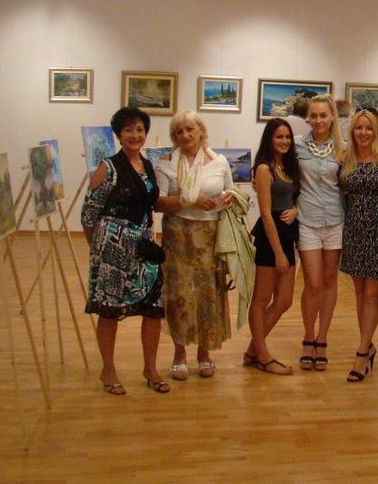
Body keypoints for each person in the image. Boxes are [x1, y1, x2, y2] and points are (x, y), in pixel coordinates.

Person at [81, 106, 168, 395]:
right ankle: (108, 369)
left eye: (140, 129)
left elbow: (152, 204)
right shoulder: (108, 167)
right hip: (113, 250)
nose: (135, 135)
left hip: (144, 245)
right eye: (129, 129)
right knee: (110, 310)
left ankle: (150, 368)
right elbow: (88, 215)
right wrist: (100, 252)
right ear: (119, 134)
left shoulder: (148, 166)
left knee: (153, 309)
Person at [154, 110, 235, 381]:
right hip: (177, 237)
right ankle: (179, 354)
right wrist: (190, 199)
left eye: (190, 129)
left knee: (207, 294)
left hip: (210, 237)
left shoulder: (219, 162)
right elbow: (158, 203)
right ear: (174, 137)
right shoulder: (166, 163)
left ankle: (204, 353)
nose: (185, 135)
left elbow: (231, 193)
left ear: (201, 131)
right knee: (178, 295)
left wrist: (229, 197)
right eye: (179, 132)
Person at [244, 118, 300, 375]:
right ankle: (263, 356)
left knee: (285, 300)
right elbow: (266, 213)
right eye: (279, 136)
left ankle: (253, 350)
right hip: (271, 238)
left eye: (287, 136)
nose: (284, 141)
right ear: (269, 139)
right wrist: (278, 253)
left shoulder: (288, 166)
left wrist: (295, 209)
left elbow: (293, 197)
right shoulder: (264, 169)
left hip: (288, 235)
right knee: (262, 298)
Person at [339, 108, 378, 382]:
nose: (363, 132)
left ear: (377, 131)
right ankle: (367, 345)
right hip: (353, 233)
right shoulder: (345, 159)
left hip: (376, 234)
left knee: (371, 294)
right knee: (359, 294)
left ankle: (361, 352)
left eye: (369, 128)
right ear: (352, 131)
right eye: (359, 127)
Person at [295, 94, 343, 372]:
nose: (318, 120)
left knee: (329, 280)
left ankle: (322, 338)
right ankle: (308, 335)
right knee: (312, 283)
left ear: (332, 116)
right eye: (313, 115)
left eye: (323, 115)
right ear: (307, 118)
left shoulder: (343, 148)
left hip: (336, 221)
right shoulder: (298, 145)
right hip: (307, 220)